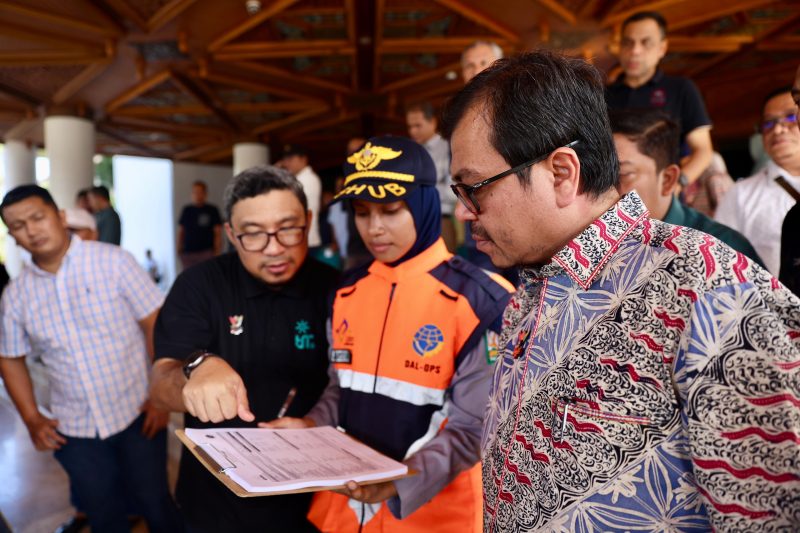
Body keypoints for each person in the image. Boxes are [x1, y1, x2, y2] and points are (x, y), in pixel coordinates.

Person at [442, 50, 800, 532]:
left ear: (562, 173)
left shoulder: (708, 285)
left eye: (474, 188)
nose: (464, 212)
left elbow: (773, 513)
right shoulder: (531, 290)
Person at [186, 137, 515, 531]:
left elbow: (472, 431)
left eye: (391, 211)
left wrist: (396, 482)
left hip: (428, 515)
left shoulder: (481, 300)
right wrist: (311, 426)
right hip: (343, 511)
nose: (374, 228)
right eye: (361, 213)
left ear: (425, 204)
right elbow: (339, 390)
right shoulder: (346, 291)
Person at [149, 166, 339, 532]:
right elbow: (160, 385)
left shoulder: (336, 289)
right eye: (253, 235)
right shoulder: (199, 285)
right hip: (217, 494)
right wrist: (198, 368)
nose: (273, 248)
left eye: (288, 228)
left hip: (313, 493)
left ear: (309, 220)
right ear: (232, 235)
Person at [0, 185, 181, 533]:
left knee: (156, 503)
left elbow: (154, 324)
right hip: (75, 429)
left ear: (61, 216)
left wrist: (160, 397)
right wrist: (32, 417)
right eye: (19, 226)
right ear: (13, 236)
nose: (32, 230)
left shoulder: (113, 261)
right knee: (103, 514)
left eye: (38, 217)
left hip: (137, 412)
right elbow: (10, 358)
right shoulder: (16, 295)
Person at [610, 109, 764, 266]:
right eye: (598, 176)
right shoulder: (599, 242)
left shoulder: (723, 250)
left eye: (622, 174)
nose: (605, 189)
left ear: (667, 180)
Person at [606, 11, 713, 186]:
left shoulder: (681, 88)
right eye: (628, 42)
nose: (635, 51)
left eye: (645, 43)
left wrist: (678, 184)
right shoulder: (602, 95)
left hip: (662, 191)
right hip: (612, 193)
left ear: (662, 48)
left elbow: (703, 151)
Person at [715, 86, 800, 276]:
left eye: (790, 117)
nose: (778, 129)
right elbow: (720, 260)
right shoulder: (740, 194)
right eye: (768, 123)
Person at [406, 101, 457, 251]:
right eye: (410, 126)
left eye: (418, 125)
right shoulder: (412, 152)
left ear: (432, 122)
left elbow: (454, 188)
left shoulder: (450, 146)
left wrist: (424, 194)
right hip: (415, 221)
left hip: (440, 219)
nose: (413, 131)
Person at [277, 145, 322, 253]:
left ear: (303, 159)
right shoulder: (300, 179)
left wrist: (276, 173)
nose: (286, 164)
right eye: (285, 160)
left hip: (306, 239)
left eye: (290, 159)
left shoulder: (307, 179)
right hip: (303, 238)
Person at [177, 180, 222, 270]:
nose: (197, 194)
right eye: (195, 192)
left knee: (206, 278)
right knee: (189, 279)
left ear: (205, 194)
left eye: (200, 192)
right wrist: (178, 249)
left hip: (206, 252)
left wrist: (217, 252)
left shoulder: (212, 210)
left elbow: (217, 232)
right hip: (188, 253)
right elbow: (181, 231)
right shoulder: (187, 210)